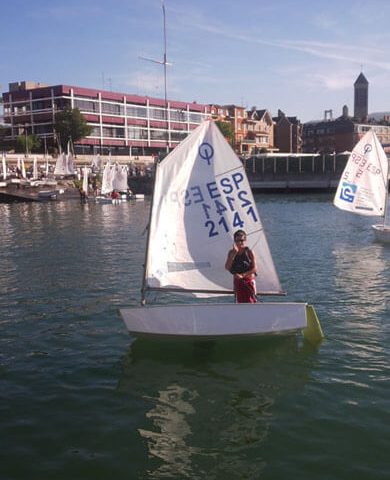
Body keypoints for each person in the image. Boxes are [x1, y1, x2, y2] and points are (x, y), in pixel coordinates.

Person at [225, 229, 257, 303]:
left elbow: (255, 268)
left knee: (251, 302)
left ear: (245, 240)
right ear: (234, 241)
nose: (240, 243)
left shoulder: (249, 251)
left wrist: (243, 275)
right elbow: (227, 267)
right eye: (238, 240)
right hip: (238, 283)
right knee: (240, 303)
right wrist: (233, 254)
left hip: (249, 282)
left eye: (242, 240)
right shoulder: (231, 252)